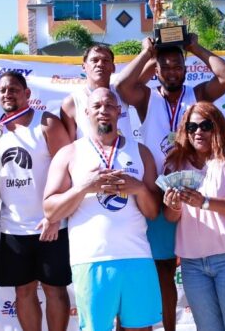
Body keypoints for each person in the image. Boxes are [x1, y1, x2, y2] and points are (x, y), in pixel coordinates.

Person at [115, 35, 225, 330]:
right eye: (165, 66)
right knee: (164, 272)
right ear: (156, 70)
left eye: (177, 66)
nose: (172, 72)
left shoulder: (197, 95)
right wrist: (146, 53)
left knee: (198, 271)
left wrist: (194, 47)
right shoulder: (147, 98)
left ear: (185, 69)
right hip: (159, 198)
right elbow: (121, 87)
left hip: (197, 195)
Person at [44, 87, 162, 331]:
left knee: (141, 328)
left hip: (137, 256)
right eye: (96, 106)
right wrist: (84, 187)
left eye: (109, 105)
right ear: (86, 112)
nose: (103, 111)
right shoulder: (70, 153)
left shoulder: (140, 152)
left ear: (119, 111)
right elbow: (50, 210)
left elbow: (153, 212)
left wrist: (139, 189)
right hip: (91, 260)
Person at [0, 71, 72, 331]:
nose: (7, 94)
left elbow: (69, 170)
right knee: (23, 292)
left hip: (50, 225)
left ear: (27, 93)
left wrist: (55, 217)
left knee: (55, 290)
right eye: (2, 90)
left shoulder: (47, 123)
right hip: (13, 228)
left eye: (13, 89)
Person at [163, 101, 225, 331]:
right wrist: (174, 206)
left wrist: (205, 202)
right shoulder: (176, 163)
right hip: (193, 264)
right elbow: (170, 217)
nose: (198, 132)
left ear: (217, 126)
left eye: (205, 126)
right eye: (192, 127)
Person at [60, 44, 132, 140]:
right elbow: (70, 145)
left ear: (113, 67)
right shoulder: (72, 103)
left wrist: (147, 51)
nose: (100, 64)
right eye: (94, 60)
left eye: (105, 60)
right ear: (84, 66)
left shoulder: (123, 92)